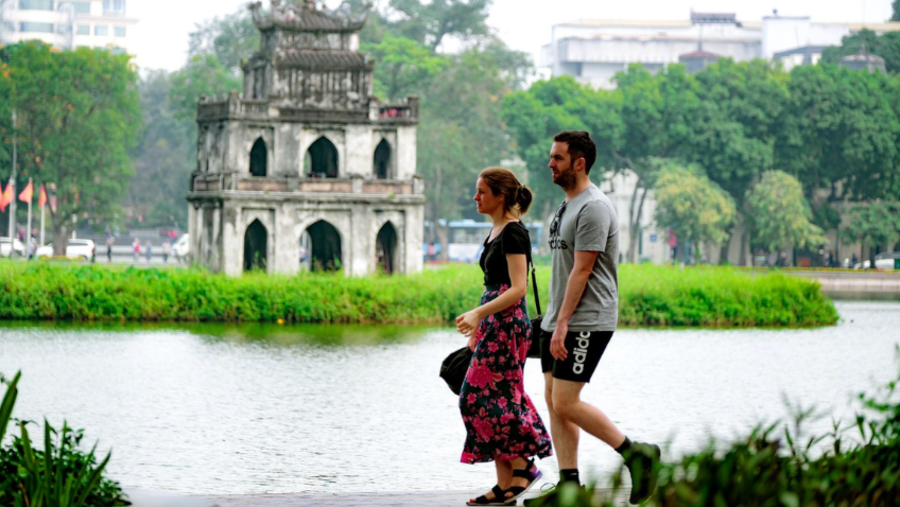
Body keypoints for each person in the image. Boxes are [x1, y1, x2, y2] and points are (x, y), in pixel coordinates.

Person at [526, 131, 659, 507]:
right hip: (559, 319)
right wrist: (552, 320)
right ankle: (570, 486)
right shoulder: (567, 206)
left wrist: (564, 323)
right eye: (551, 157)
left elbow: (583, 271)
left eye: (557, 158)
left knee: (567, 402)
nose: (550, 164)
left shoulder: (594, 207)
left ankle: (637, 455)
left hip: (587, 318)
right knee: (555, 400)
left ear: (579, 162)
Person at [455, 167, 553, 506]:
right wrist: (479, 327)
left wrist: (479, 314)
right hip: (493, 326)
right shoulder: (496, 230)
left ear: (499, 195)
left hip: (508, 327)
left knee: (480, 398)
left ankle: (524, 467)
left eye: (481, 191)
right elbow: (493, 286)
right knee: (489, 399)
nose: (475, 197)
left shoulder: (514, 233)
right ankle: (504, 484)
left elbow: (518, 289)